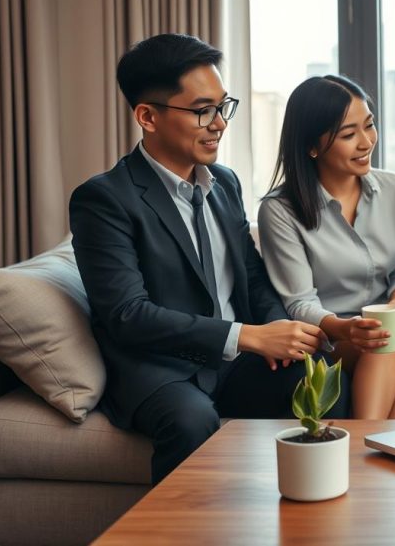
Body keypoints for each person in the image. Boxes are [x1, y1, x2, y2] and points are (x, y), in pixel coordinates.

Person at [69, 34, 348, 485]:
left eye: (223, 107)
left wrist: (283, 334)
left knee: (322, 378)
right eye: (203, 110)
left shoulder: (224, 183)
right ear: (147, 116)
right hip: (162, 370)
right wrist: (248, 337)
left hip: (236, 364)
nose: (219, 123)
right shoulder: (104, 199)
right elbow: (127, 315)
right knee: (190, 419)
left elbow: (253, 277)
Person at [258, 75, 395, 419]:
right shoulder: (279, 210)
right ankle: (361, 457)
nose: (366, 142)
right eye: (348, 134)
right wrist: (347, 329)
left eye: (369, 125)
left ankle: (393, 459)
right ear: (312, 146)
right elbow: (299, 302)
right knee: (386, 343)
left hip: (385, 329)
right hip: (328, 337)